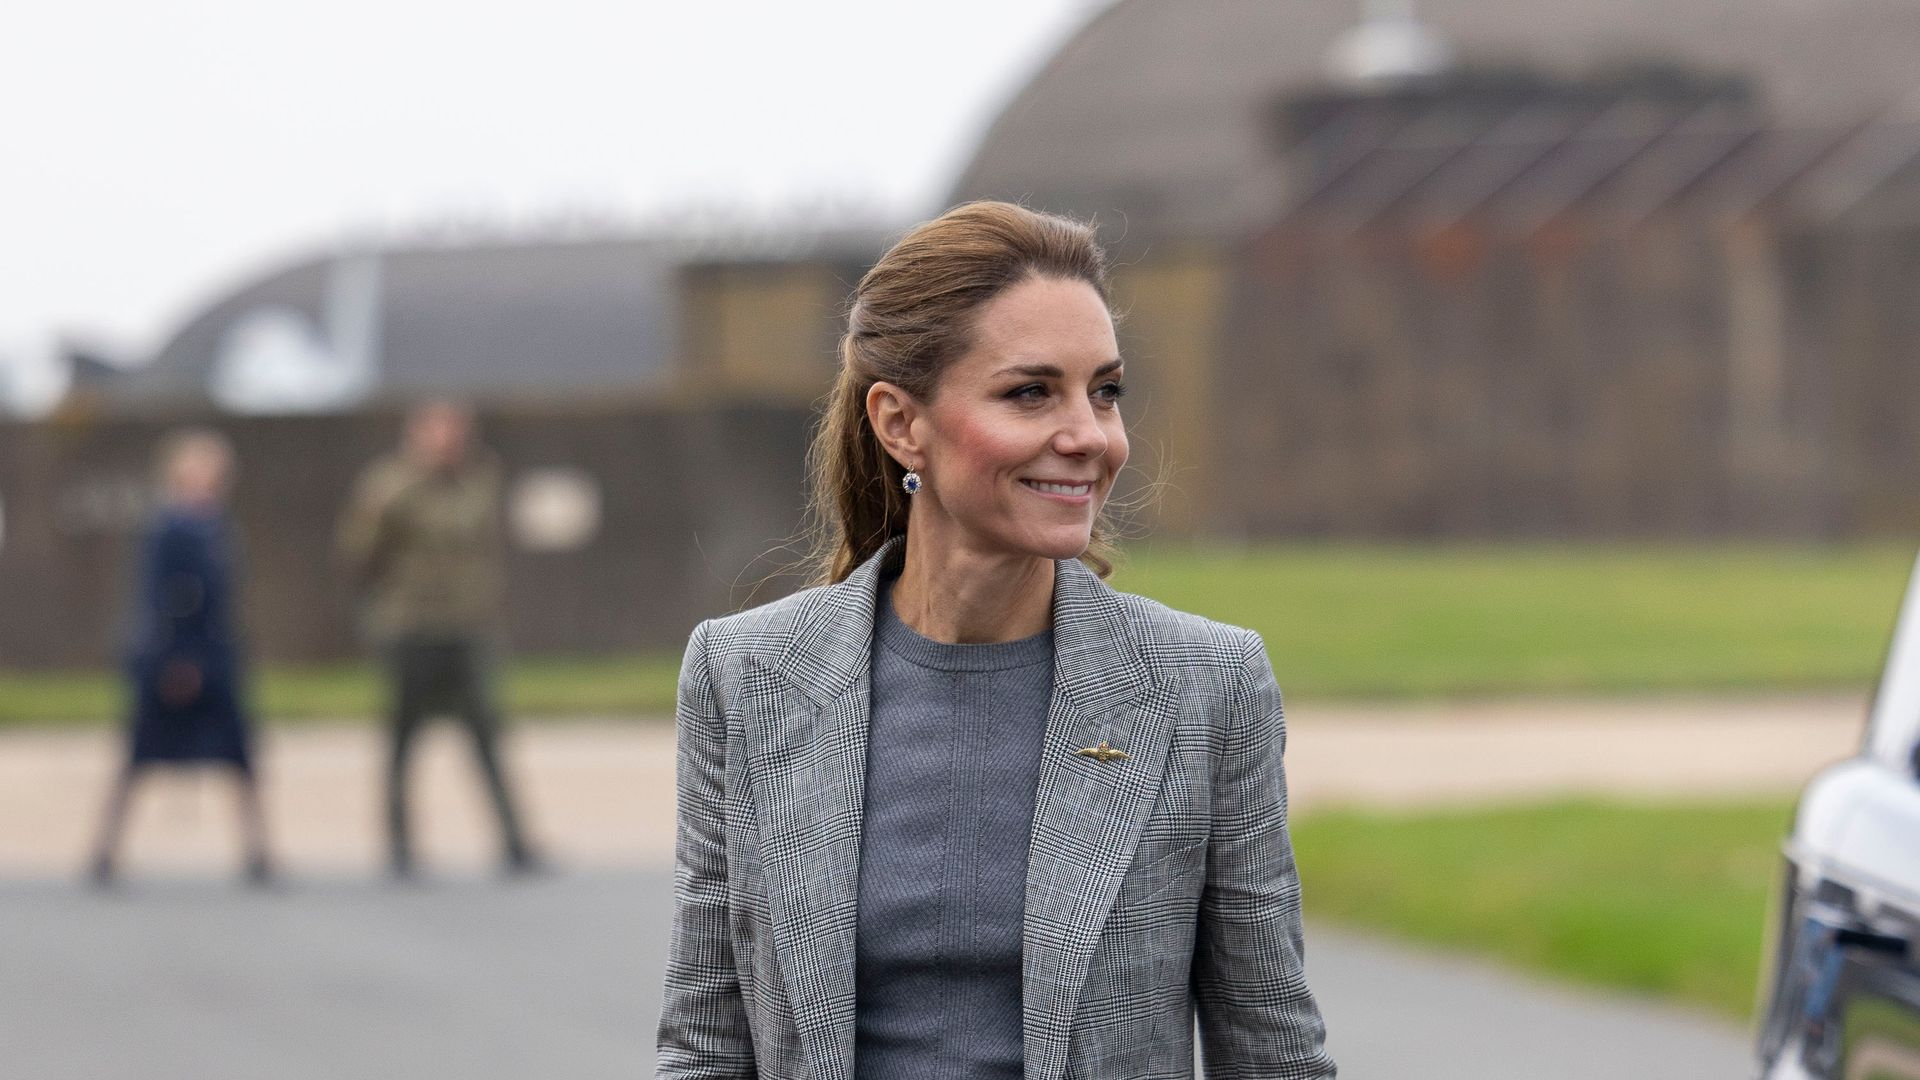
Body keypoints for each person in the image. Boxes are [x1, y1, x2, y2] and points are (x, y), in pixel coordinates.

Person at [656, 202, 1336, 1079]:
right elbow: (705, 1047)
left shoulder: (1208, 685)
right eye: (1030, 393)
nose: (1088, 436)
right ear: (901, 424)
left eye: (1105, 391)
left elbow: (1275, 1057)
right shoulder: (744, 676)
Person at [336, 401, 544, 879]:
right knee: (403, 738)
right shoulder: (390, 486)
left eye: (457, 432)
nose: (449, 443)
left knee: (487, 734)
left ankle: (513, 842)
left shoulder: (480, 480)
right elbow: (358, 552)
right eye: (439, 433)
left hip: (468, 624)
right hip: (411, 625)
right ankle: (399, 845)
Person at [88, 428, 273, 887]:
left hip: (216, 657)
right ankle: (105, 851)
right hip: (172, 661)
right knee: (139, 756)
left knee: (240, 757)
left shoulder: (219, 527)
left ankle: (257, 851)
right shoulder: (166, 529)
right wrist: (176, 660)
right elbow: (160, 598)